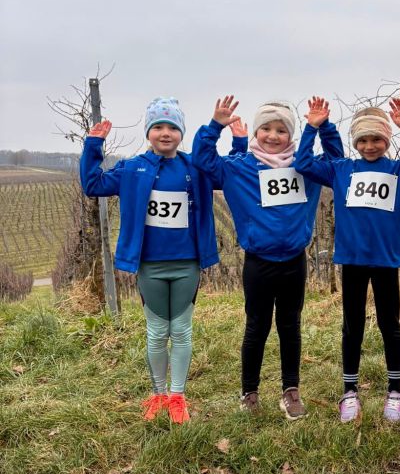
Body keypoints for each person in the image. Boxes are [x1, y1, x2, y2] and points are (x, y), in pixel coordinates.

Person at [191, 96, 343, 419]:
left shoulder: (306, 167)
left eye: (281, 130)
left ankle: (291, 391)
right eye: (266, 129)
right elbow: (203, 160)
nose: (273, 136)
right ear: (257, 132)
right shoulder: (238, 169)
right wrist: (215, 126)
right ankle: (249, 393)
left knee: (290, 326)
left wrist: (323, 127)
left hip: (294, 262)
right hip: (258, 263)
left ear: (292, 135)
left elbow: (337, 160)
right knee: (256, 327)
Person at [295, 94, 400, 423]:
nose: (370, 145)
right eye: (364, 139)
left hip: (386, 261)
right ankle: (349, 392)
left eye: (377, 139)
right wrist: (311, 128)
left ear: (386, 140)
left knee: (391, 326)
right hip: (353, 261)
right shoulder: (341, 169)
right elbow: (303, 164)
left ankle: (396, 392)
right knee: (352, 326)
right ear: (355, 141)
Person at [80, 97, 219, 424]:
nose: (165, 133)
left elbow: (225, 174)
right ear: (148, 131)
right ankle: (157, 395)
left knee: (182, 330)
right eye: (158, 126)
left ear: (181, 132)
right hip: (149, 266)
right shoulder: (131, 169)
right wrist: (93, 145)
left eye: (172, 127)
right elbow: (93, 184)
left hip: (186, 264)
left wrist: (231, 136)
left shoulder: (193, 169)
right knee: (157, 332)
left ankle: (177, 397)